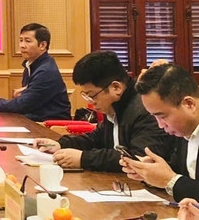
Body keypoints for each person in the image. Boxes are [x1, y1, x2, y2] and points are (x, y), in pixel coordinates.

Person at [33, 51, 173, 171]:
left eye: (92, 95)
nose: (91, 102)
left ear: (116, 87)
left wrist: (83, 159)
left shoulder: (146, 109)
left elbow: (139, 158)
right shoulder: (117, 105)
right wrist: (61, 144)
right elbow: (97, 138)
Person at [121, 63, 199, 202]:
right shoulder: (183, 130)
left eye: (162, 116)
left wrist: (170, 180)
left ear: (189, 104)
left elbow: (176, 180)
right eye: (154, 117)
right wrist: (150, 173)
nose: (160, 125)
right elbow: (184, 177)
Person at [0, 23, 70, 121]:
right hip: (34, 119)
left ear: (42, 45)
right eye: (21, 40)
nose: (22, 45)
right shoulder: (31, 65)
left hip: (49, 125)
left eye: (27, 41)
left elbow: (22, 105)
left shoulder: (46, 72)